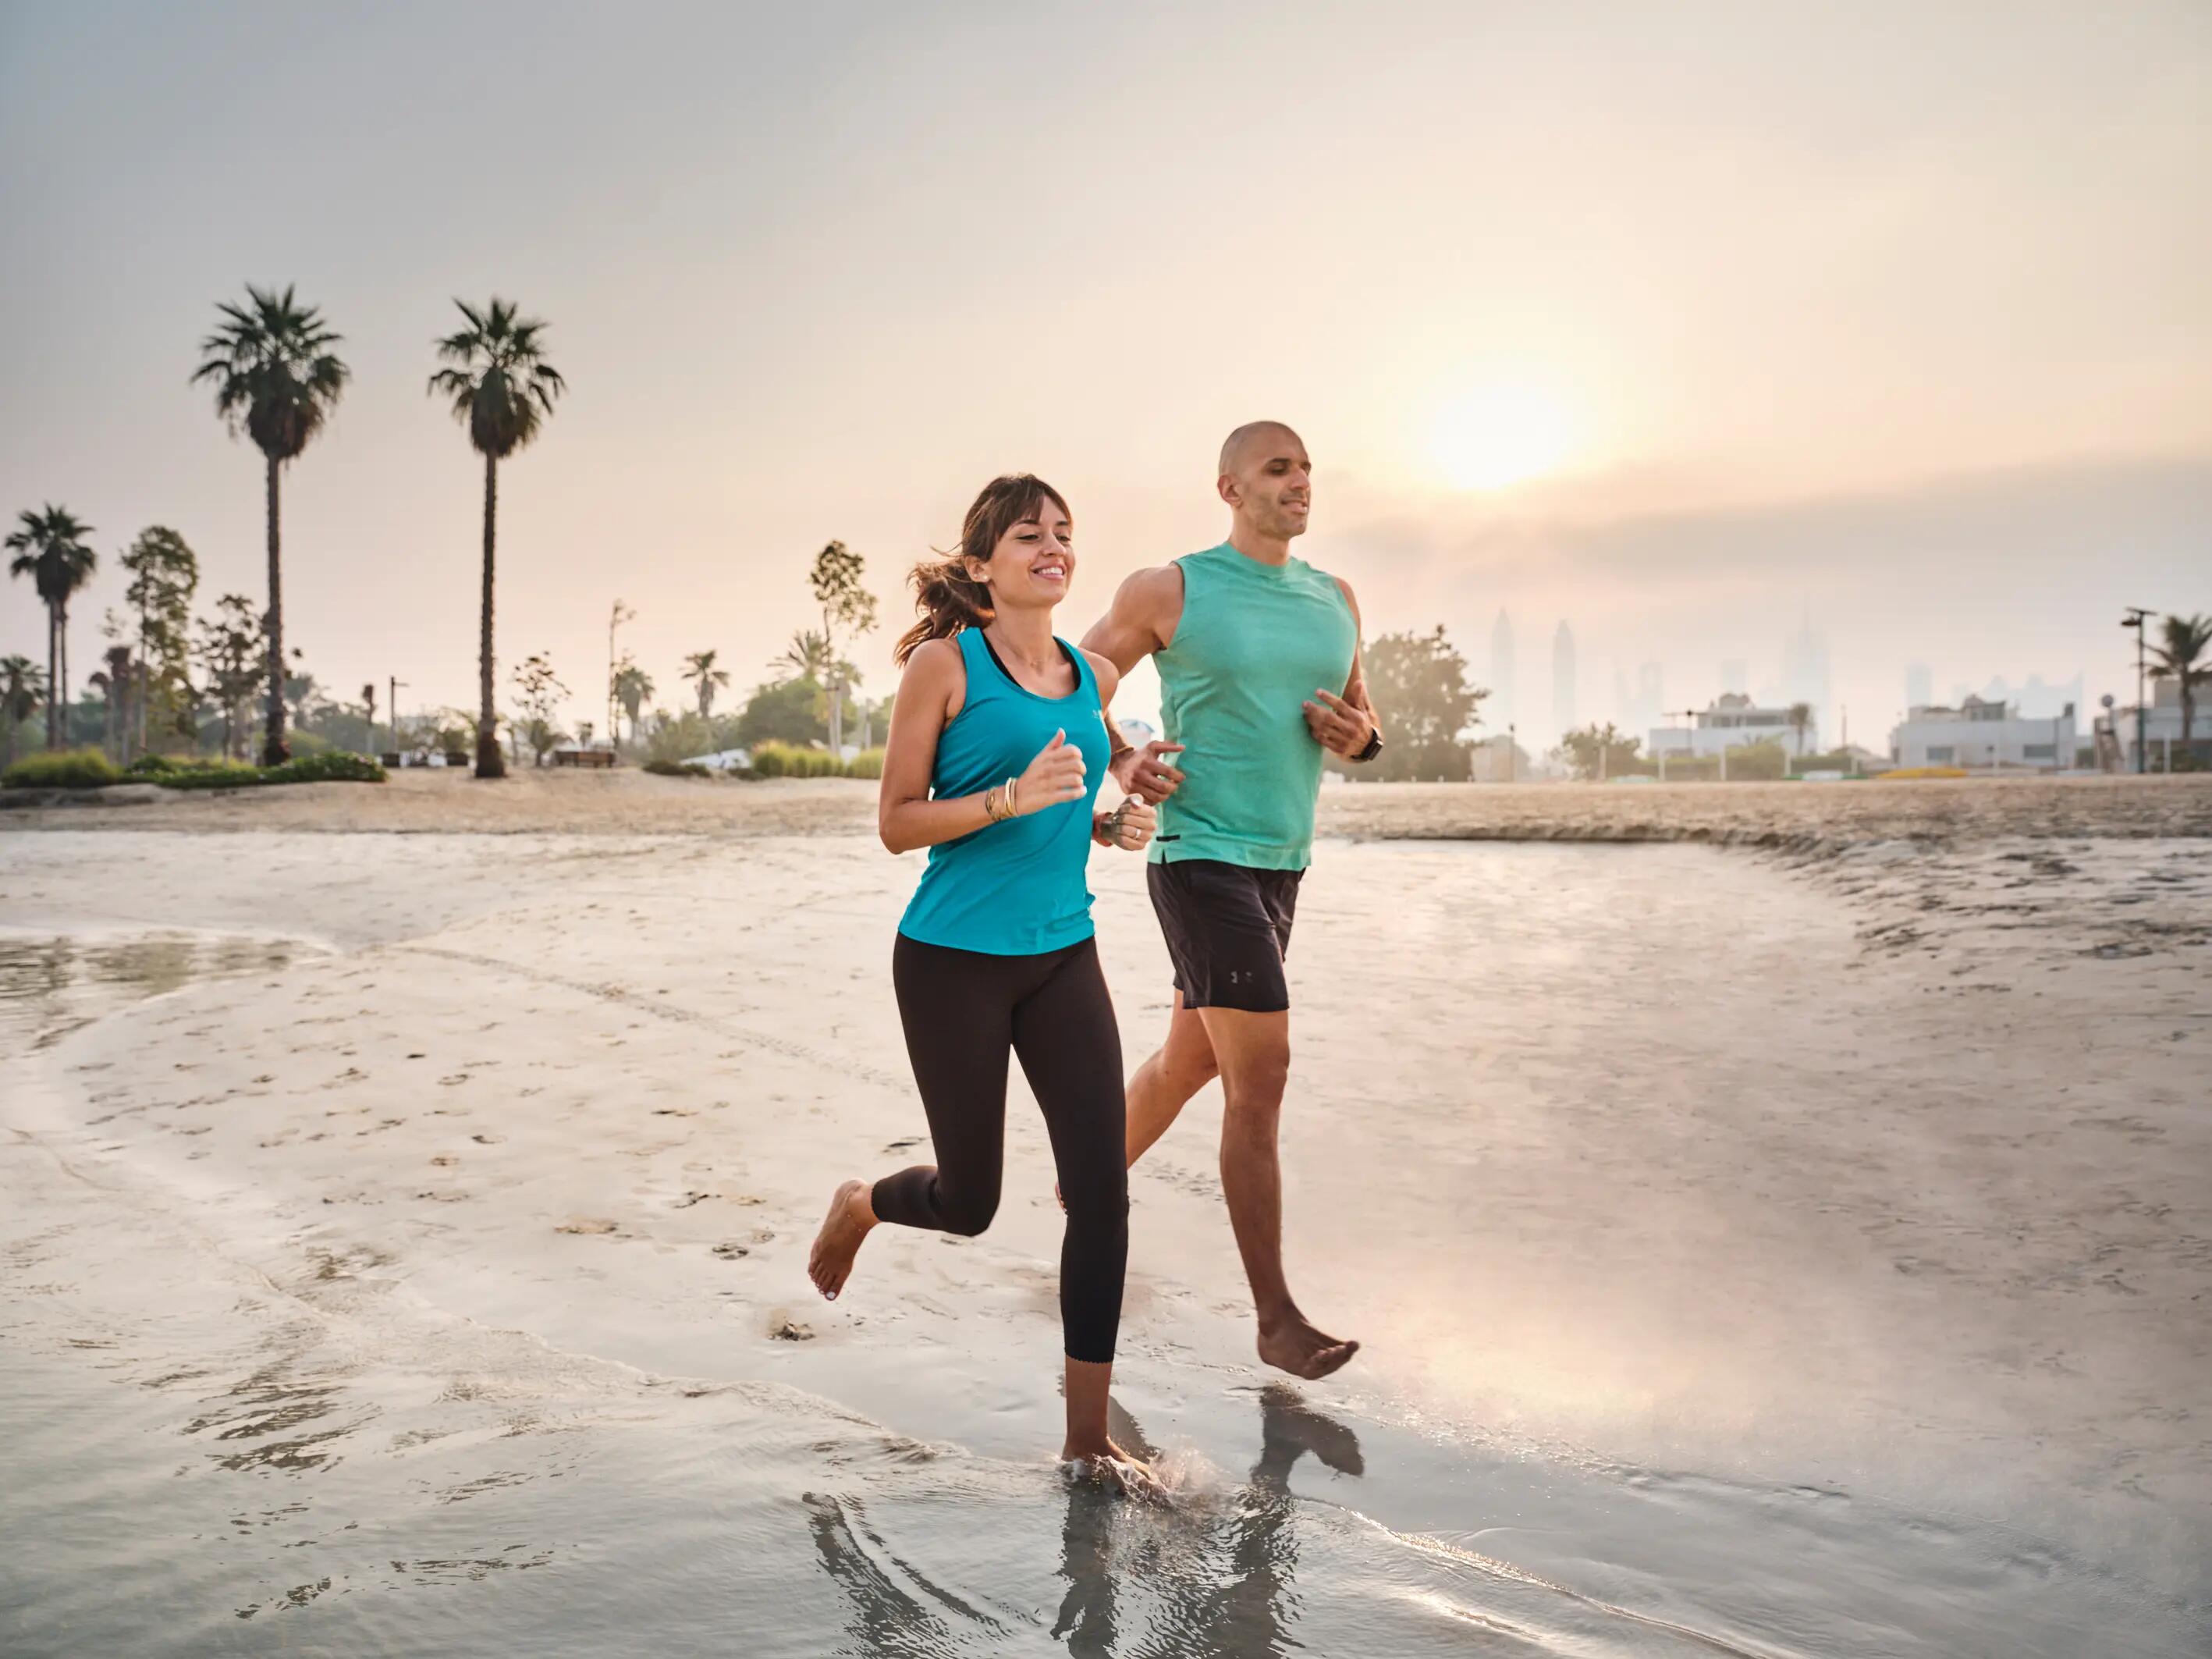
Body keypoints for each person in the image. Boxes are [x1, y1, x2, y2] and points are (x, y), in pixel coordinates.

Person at [807, 473, 1162, 1486]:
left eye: (1062, 532)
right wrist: (1005, 797)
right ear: (979, 566)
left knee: (1100, 1195)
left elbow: (1088, 802)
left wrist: (1117, 820)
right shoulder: (941, 665)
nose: (1051, 546)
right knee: (971, 1203)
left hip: (1063, 954)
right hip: (951, 963)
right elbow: (895, 821)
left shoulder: (1090, 677)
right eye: (1026, 535)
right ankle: (861, 1201)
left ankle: (1085, 1444)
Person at [1082, 421, 1383, 1381]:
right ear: (1230, 487)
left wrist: (1361, 738)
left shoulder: (1336, 598)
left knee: (1187, 1063)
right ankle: (1275, 1316)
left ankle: (1082, 1181)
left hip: (1282, 861)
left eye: (1306, 470)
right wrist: (1122, 752)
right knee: (1265, 1074)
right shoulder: (1171, 587)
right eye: (1277, 468)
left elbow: (1362, 720)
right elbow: (1071, 679)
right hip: (1197, 852)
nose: (1299, 484)